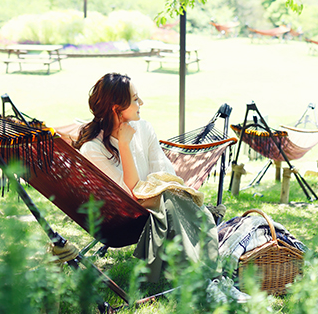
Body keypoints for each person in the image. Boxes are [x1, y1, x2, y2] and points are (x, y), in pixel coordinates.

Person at [73, 73, 221, 283]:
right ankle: (206, 281)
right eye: (135, 99)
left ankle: (210, 278)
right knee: (173, 203)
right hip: (128, 213)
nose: (141, 102)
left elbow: (164, 171)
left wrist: (162, 189)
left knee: (183, 201)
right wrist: (124, 145)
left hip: (156, 198)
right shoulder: (92, 149)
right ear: (117, 109)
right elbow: (129, 193)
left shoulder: (144, 128)